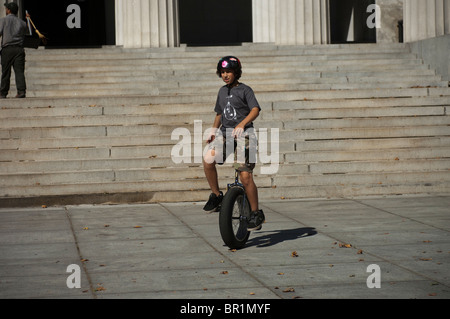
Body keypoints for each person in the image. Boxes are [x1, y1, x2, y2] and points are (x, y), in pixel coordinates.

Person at [203, 56, 265, 231]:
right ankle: (216, 196)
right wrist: (214, 130)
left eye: (228, 71)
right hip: (225, 135)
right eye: (222, 72)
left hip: (246, 135)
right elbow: (218, 114)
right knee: (208, 159)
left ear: (236, 73)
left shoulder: (245, 90)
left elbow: (255, 110)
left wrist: (242, 123)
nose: (225, 75)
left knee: (245, 177)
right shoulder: (222, 92)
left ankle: (255, 213)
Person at [0, 2, 28, 99]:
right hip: (19, 49)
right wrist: (28, 20)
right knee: (19, 72)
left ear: (9, 10)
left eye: (6, 9)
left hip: (7, 49)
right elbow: (28, 33)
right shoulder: (22, 22)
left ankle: (3, 93)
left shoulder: (3, 21)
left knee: (5, 72)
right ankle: (21, 92)